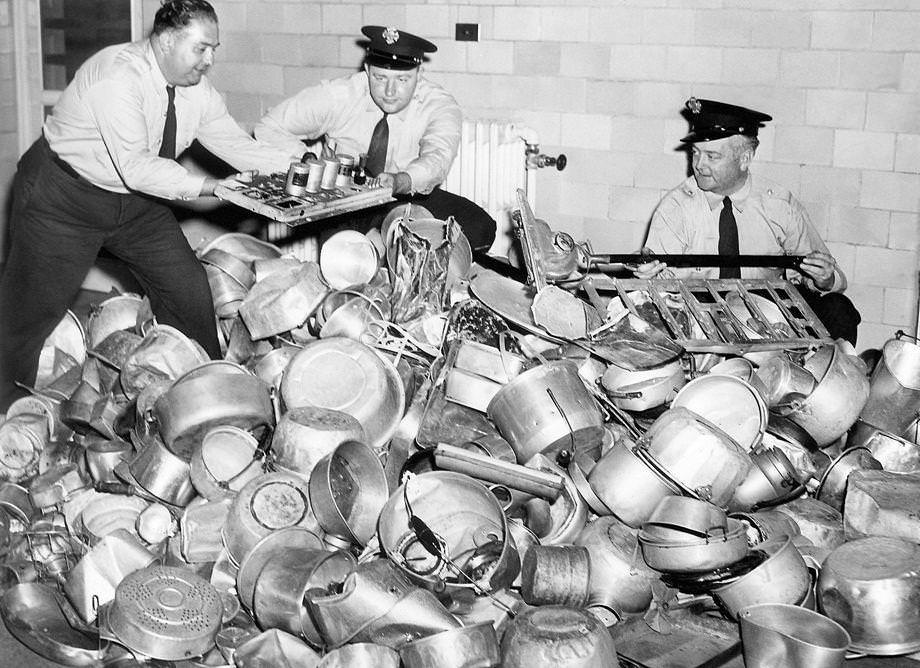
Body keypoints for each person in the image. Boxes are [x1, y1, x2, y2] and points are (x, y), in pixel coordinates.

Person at [0, 0, 297, 411]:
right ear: (167, 40)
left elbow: (234, 144)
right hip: (63, 198)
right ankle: (9, 417)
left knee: (187, 288)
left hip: (133, 202)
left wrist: (299, 167)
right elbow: (137, 168)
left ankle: (206, 397)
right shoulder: (118, 77)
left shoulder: (196, 91)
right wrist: (213, 187)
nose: (210, 60)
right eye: (201, 48)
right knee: (29, 314)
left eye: (214, 49)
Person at [637, 97, 860, 345]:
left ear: (745, 158)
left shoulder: (779, 206)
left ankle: (830, 380)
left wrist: (823, 278)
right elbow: (656, 286)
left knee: (838, 309)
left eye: (712, 156)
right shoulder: (677, 206)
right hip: (700, 316)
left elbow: (833, 278)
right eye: (696, 153)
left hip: (769, 316)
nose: (699, 165)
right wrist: (649, 274)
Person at [254, 25, 497, 252]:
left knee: (478, 227)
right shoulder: (340, 96)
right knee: (342, 262)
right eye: (380, 78)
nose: (390, 92)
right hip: (346, 199)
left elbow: (438, 159)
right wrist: (309, 159)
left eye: (402, 80)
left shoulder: (439, 105)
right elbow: (269, 127)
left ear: (419, 73)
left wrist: (399, 181)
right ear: (367, 70)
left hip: (403, 193)